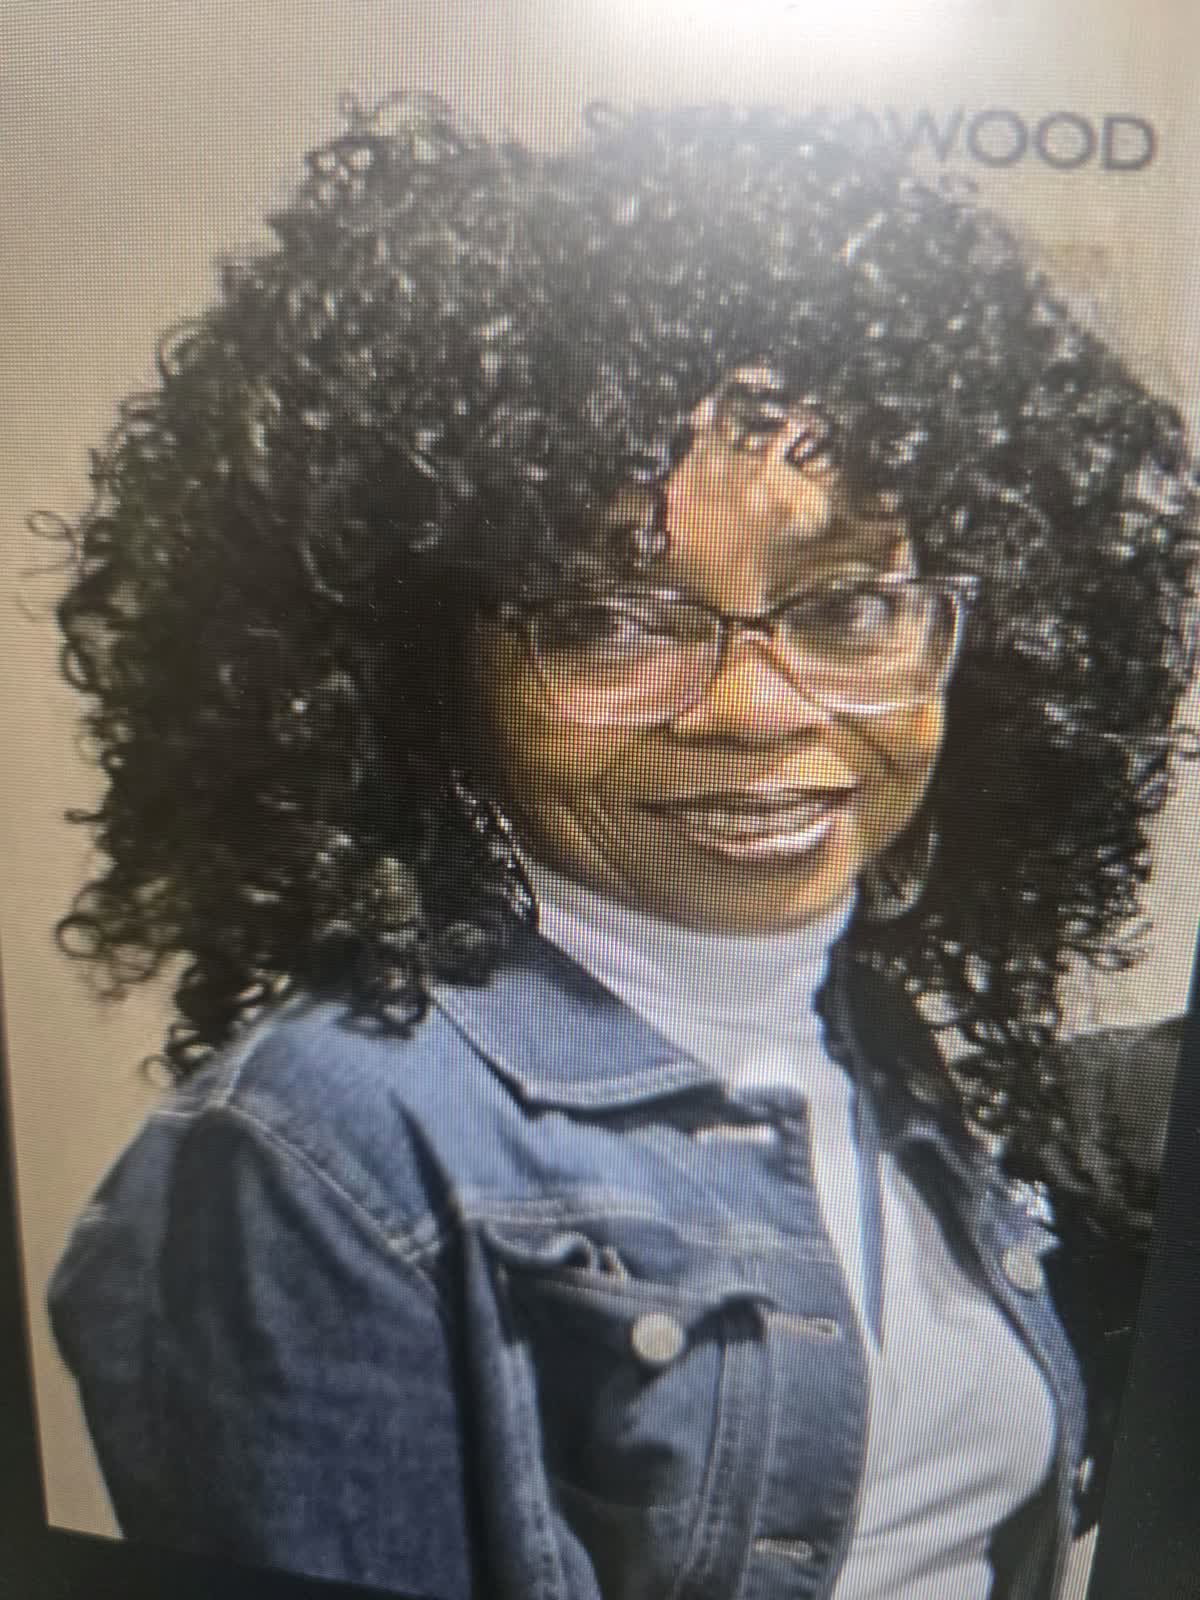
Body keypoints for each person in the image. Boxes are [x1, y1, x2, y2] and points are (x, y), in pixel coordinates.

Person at [46, 96, 1196, 1600]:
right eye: (610, 618)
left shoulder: (860, 1037)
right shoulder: (327, 1150)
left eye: (850, 606)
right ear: (432, 674)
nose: (755, 712)